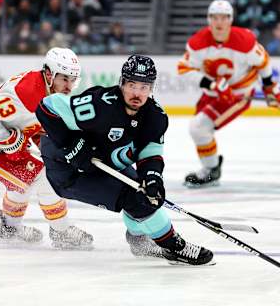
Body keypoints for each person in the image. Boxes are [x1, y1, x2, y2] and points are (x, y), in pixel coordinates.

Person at [36, 55, 214, 266]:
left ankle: (138, 239)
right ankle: (175, 247)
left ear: (152, 88)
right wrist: (71, 144)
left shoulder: (155, 117)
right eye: (131, 85)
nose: (137, 93)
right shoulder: (100, 105)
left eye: (144, 87)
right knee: (135, 199)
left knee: (144, 194)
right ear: (121, 83)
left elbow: (151, 153)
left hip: (103, 162)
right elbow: (48, 106)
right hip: (67, 169)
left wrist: (153, 177)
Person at [0, 47, 93, 249]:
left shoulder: (47, 93)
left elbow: (34, 127)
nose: (69, 86)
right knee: (44, 176)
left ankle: (10, 227)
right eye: (64, 79)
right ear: (49, 75)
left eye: (72, 79)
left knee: (23, 181)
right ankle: (61, 231)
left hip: (2, 147)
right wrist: (7, 139)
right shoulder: (27, 93)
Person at [177, 0, 280, 188]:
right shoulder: (197, 43)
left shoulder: (245, 41)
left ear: (231, 19)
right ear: (208, 20)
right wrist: (212, 85)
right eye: (215, 17)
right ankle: (211, 168)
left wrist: (269, 85)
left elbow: (263, 61)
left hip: (237, 96)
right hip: (214, 94)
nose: (219, 22)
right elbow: (184, 70)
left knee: (199, 128)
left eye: (224, 17)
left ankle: (211, 171)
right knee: (199, 130)